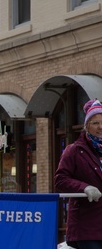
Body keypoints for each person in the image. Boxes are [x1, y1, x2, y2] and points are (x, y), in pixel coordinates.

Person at [56, 98, 102, 249]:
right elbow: (60, 180)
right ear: (86, 127)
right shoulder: (74, 150)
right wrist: (84, 188)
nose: (100, 127)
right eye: (95, 123)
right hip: (87, 229)